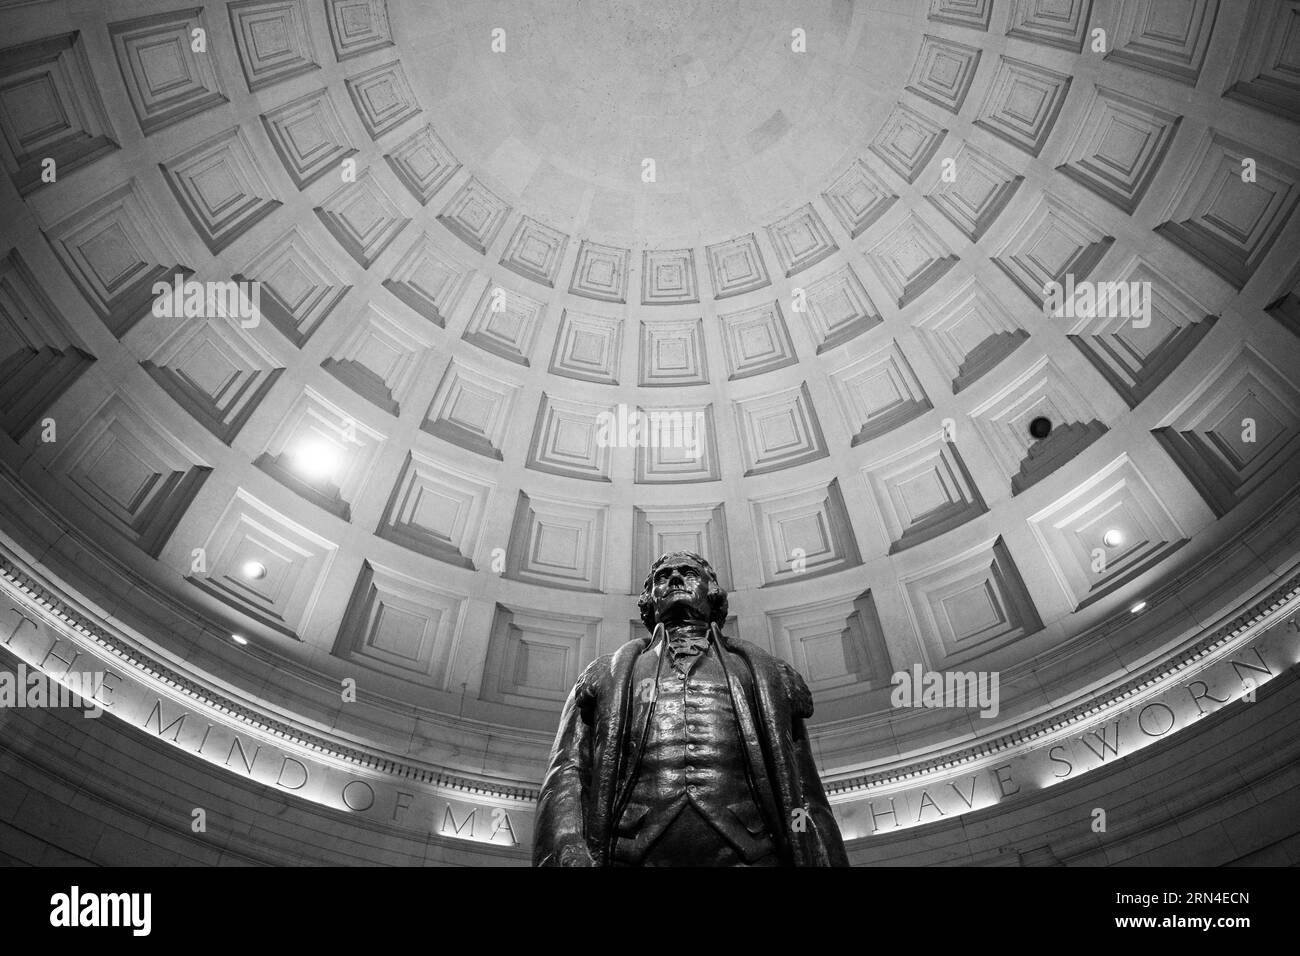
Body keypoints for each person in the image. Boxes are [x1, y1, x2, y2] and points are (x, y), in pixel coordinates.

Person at [533, 551, 849, 866]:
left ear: (712, 594)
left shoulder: (766, 675)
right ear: (648, 600)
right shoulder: (605, 676)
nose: (674, 579)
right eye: (662, 577)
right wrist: (568, 842)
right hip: (632, 856)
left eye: (688, 573)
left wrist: (822, 855)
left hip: (754, 855)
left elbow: (804, 786)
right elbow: (568, 773)